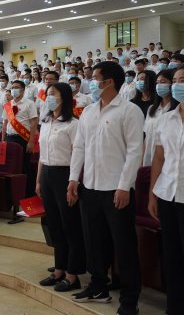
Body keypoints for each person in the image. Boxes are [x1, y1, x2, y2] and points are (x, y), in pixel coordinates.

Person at [68, 61, 143, 315]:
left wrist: (124, 186)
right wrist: (73, 179)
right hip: (90, 187)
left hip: (116, 189)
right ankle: (98, 286)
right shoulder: (89, 111)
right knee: (94, 242)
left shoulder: (129, 111)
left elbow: (135, 151)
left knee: (124, 246)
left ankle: (130, 299)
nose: (91, 82)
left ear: (109, 81)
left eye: (95, 78)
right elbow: (79, 147)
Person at [35, 83, 85, 292]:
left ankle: (73, 274)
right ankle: (59, 269)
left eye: (52, 94)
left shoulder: (73, 124)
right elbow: (42, 155)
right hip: (47, 174)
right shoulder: (46, 122)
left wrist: (73, 182)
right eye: (47, 94)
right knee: (54, 225)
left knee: (70, 225)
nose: (48, 97)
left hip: (65, 175)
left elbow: (78, 155)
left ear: (63, 97)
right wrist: (38, 180)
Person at [147, 66, 184, 314]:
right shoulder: (166, 118)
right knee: (172, 255)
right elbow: (159, 158)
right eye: (176, 80)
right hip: (168, 193)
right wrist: (152, 194)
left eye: (183, 79)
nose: (178, 84)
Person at [2, 80, 38, 198]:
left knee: (24, 166)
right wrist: (3, 140)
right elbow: (5, 123)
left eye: (16, 87)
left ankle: (28, 194)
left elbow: (34, 123)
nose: (14, 89)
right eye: (12, 87)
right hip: (9, 138)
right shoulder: (8, 104)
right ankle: (12, 194)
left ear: (23, 89)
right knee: (11, 167)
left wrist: (31, 141)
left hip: (23, 138)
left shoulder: (29, 104)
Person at [142, 69, 178, 166]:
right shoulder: (152, 109)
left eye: (163, 82)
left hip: (168, 163)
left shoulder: (177, 110)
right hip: (148, 160)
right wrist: (141, 161)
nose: (159, 86)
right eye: (157, 83)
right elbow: (146, 138)